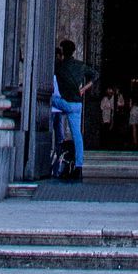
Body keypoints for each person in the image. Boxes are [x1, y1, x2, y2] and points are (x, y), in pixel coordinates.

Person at [48, 38, 93, 179]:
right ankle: (79, 166)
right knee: (77, 135)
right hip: (77, 104)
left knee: (48, 98)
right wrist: (83, 89)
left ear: (63, 52)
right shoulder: (80, 65)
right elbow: (95, 75)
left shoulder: (60, 66)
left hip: (66, 103)